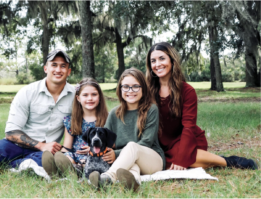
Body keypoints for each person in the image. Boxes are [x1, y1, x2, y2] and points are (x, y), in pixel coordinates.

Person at [0, 49, 75, 177]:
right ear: (45, 68)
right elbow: (11, 132)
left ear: (68, 71)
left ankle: (12, 164)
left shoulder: (76, 96)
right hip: (15, 145)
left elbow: (90, 119)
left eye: (63, 66)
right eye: (54, 65)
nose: (58, 70)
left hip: (46, 152)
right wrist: (41, 145)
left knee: (42, 163)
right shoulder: (27, 92)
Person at [145, 42, 258, 170]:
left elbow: (188, 127)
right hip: (161, 144)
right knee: (161, 161)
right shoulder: (147, 91)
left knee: (177, 160)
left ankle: (230, 161)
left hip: (186, 140)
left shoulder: (187, 91)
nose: (157, 64)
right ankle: (210, 160)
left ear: (172, 60)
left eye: (162, 58)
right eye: (153, 61)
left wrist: (182, 159)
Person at [89, 68, 166, 191]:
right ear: (120, 89)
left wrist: (117, 154)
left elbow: (146, 142)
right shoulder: (114, 113)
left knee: (132, 146)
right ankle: (133, 182)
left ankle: (108, 177)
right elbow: (104, 141)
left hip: (152, 160)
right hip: (127, 161)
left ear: (143, 89)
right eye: (126, 87)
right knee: (131, 165)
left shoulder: (151, 110)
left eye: (135, 86)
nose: (130, 91)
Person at [41, 78, 109, 177]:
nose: (90, 98)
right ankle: (65, 168)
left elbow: (113, 144)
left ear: (100, 97)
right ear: (78, 98)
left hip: (97, 156)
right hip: (75, 155)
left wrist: (93, 149)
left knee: (91, 161)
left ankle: (74, 171)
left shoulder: (107, 118)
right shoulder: (71, 120)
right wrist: (62, 155)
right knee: (65, 157)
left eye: (94, 94)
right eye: (85, 95)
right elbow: (67, 147)